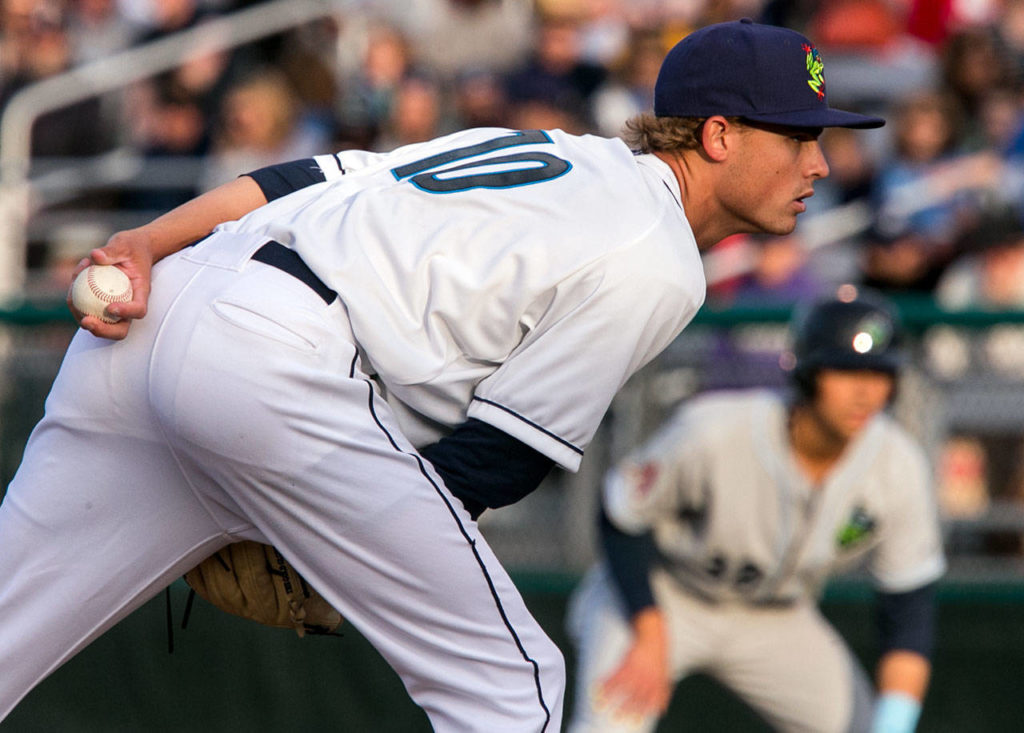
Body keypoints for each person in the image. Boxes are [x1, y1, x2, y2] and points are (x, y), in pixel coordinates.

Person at [0, 19, 883, 730]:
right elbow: (495, 457)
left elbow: (307, 173)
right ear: (721, 136)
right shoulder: (659, 259)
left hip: (165, 311)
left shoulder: (550, 148)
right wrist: (327, 553)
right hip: (277, 367)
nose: (819, 163)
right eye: (801, 137)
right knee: (515, 687)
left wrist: (149, 239)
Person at [565, 288, 945, 733]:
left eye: (880, 374)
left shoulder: (898, 464)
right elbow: (621, 514)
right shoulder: (716, 430)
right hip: (662, 595)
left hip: (775, 614)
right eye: (844, 370)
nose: (865, 391)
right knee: (607, 726)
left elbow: (908, 610)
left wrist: (894, 724)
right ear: (806, 373)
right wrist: (649, 633)